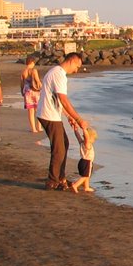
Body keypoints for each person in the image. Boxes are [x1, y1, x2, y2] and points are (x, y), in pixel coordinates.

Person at [36, 52, 88, 190]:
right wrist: (78, 119)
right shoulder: (59, 74)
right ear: (72, 61)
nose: (76, 70)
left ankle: (61, 178)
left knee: (64, 143)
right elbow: (63, 99)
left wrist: (69, 117)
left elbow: (58, 100)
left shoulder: (56, 73)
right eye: (77, 66)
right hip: (48, 115)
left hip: (50, 113)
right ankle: (52, 180)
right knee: (59, 149)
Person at [68, 122, 97, 193]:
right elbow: (87, 137)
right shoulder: (87, 144)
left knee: (87, 175)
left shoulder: (81, 142)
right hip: (87, 162)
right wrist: (84, 129)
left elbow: (78, 137)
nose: (94, 140)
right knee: (85, 176)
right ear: (90, 138)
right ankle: (75, 185)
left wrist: (75, 130)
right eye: (93, 139)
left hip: (81, 161)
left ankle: (86, 187)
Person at [20, 56, 43, 133]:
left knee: (30, 111)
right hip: (35, 91)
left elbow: (22, 84)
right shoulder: (34, 70)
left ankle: (33, 128)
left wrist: (22, 93)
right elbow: (37, 81)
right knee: (38, 109)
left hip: (27, 92)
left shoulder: (23, 72)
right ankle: (39, 127)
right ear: (32, 62)